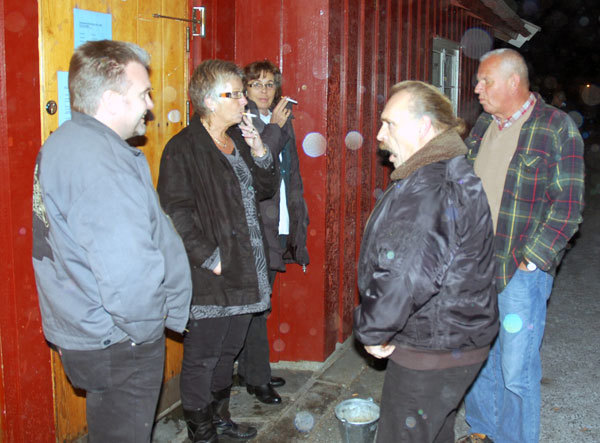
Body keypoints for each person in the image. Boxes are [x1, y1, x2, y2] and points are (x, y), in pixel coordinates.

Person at [32, 40, 192, 442]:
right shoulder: (99, 162)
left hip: (95, 329)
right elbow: (128, 270)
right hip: (121, 339)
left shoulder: (69, 142)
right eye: (143, 94)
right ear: (109, 99)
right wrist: (147, 329)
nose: (150, 106)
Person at [353, 80, 499, 443]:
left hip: (432, 346)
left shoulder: (429, 186)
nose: (379, 135)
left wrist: (374, 329)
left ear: (423, 127)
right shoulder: (445, 170)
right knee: (433, 432)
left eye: (390, 124)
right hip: (454, 340)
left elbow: (405, 273)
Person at [459, 49, 585, 443]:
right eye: (478, 81)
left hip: (519, 270)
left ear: (514, 82)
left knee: (516, 371)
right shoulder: (483, 125)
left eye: (486, 81)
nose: (477, 88)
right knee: (479, 357)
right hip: (475, 265)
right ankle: (483, 432)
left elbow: (568, 206)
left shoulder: (555, 127)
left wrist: (533, 259)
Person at [157, 59, 278, 442]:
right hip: (212, 272)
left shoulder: (238, 140)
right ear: (209, 100)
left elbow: (265, 189)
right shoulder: (183, 148)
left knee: (229, 350)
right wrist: (210, 258)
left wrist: (260, 150)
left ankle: (220, 415)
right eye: (236, 94)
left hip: (246, 267)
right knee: (204, 355)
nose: (244, 101)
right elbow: (175, 211)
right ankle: (201, 431)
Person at [235, 59, 310, 405]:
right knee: (257, 302)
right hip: (256, 225)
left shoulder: (279, 120)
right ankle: (257, 377)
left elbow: (291, 175)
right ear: (245, 89)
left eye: (269, 84)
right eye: (256, 84)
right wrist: (276, 127)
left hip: (278, 222)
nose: (264, 91)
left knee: (261, 301)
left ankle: (251, 369)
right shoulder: (242, 122)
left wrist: (297, 221)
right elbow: (257, 163)